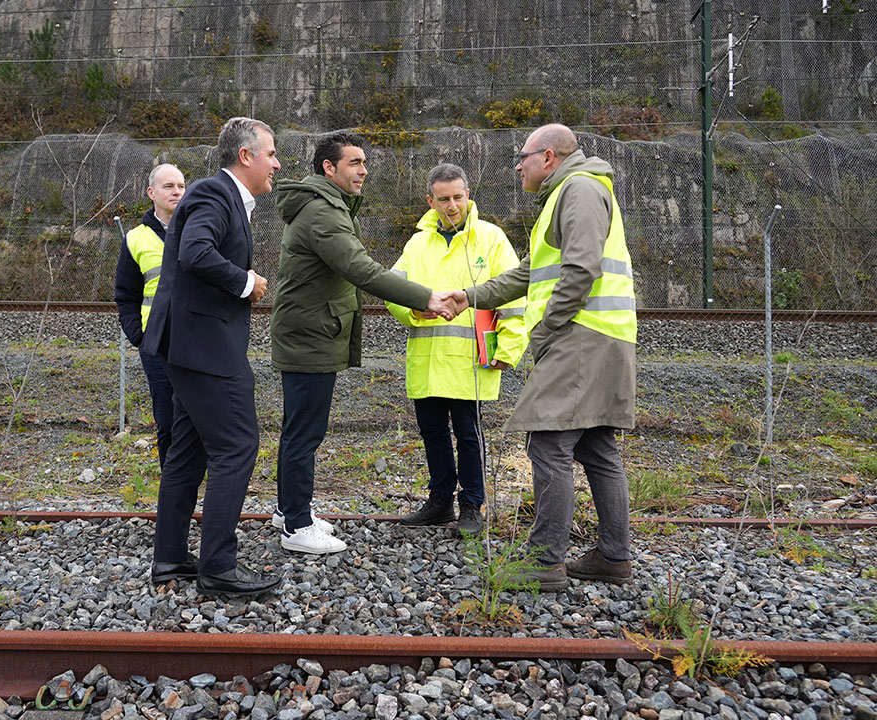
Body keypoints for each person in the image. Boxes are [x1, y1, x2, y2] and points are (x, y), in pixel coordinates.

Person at [444, 123, 637, 591]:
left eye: (523, 156)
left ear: (548, 157)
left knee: (549, 444)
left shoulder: (580, 190)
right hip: (601, 335)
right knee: (595, 445)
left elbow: (582, 269)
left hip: (580, 336)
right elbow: (529, 273)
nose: (518, 164)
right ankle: (614, 556)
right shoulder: (568, 194)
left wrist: (548, 328)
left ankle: (544, 561)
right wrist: (471, 295)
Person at [270, 131, 457, 555]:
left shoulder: (326, 206)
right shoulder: (322, 212)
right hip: (310, 337)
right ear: (328, 168)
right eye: (355, 162)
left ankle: (289, 509)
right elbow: (362, 269)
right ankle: (297, 526)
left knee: (298, 429)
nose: (364, 170)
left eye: (364, 162)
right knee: (304, 433)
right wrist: (425, 296)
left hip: (311, 332)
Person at [140, 117, 281, 597]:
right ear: (246, 156)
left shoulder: (224, 199)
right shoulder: (212, 194)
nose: (277, 164)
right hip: (204, 350)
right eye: (272, 153)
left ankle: (171, 558)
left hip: (188, 346)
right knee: (237, 446)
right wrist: (247, 281)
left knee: (189, 450)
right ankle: (219, 567)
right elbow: (195, 253)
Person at [386, 163, 527, 535]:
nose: (452, 206)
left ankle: (471, 507)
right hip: (429, 360)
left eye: (458, 197)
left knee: (468, 435)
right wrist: (411, 309)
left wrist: (510, 347)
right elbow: (392, 289)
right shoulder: (417, 243)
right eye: (443, 199)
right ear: (429, 201)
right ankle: (439, 502)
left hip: (470, 362)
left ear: (469, 196)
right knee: (432, 433)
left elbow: (514, 296)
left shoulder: (491, 239)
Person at [113, 163, 186, 466]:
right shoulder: (135, 239)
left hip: (198, 339)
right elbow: (126, 295)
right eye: (169, 186)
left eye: (181, 186)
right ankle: (171, 482)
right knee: (167, 417)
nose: (177, 192)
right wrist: (138, 336)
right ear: (151, 193)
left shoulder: (201, 228)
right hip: (156, 344)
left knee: (200, 416)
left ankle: (197, 477)